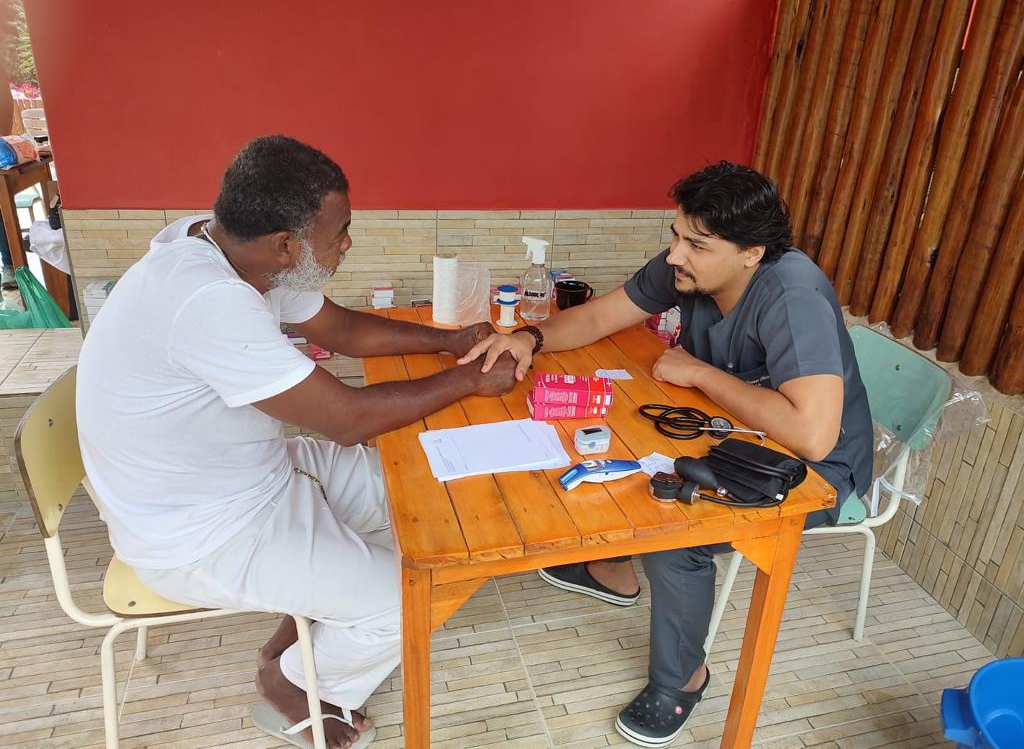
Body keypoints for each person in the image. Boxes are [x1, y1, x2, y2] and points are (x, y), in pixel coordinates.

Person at [76, 135, 517, 749]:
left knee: (423, 490)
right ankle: (296, 684)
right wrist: (470, 380)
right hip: (200, 530)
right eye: (341, 230)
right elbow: (347, 419)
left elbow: (342, 330)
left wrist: (448, 342)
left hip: (248, 475)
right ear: (286, 244)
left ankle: (310, 626)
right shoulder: (207, 299)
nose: (347, 243)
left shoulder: (223, 244)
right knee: (407, 597)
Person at [458, 161, 873, 747]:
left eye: (696, 245)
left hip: (811, 471)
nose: (676, 254)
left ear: (751, 253)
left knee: (677, 532)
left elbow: (812, 435)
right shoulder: (689, 268)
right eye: (677, 235)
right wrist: (529, 337)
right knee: (620, 440)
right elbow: (601, 314)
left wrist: (700, 373)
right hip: (736, 432)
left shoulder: (793, 295)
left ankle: (683, 679)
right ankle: (613, 570)